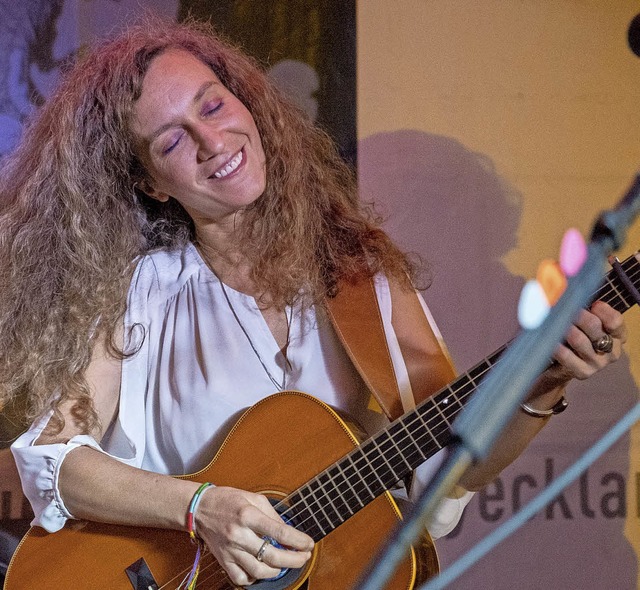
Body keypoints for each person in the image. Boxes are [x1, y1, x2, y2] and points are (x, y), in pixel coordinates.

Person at [0, 18, 626, 588]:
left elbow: (448, 467)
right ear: (149, 185)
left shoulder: (364, 279)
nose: (212, 140)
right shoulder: (136, 293)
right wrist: (199, 508)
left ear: (247, 102)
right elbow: (57, 462)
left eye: (214, 105)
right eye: (170, 142)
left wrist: (545, 381)